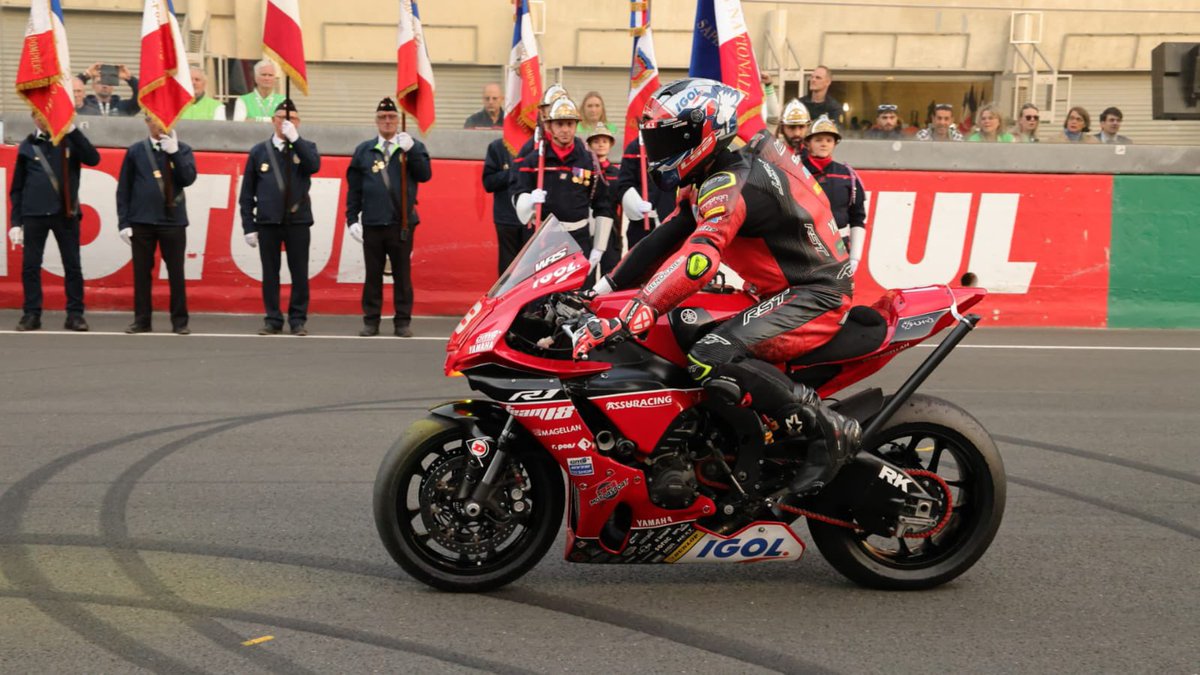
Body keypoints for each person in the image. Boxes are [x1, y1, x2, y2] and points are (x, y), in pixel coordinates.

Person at [584, 79, 862, 497]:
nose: (659, 151)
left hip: (816, 295)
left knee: (710, 352)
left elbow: (698, 260)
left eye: (671, 138)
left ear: (704, 133)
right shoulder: (711, 173)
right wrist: (600, 291)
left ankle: (826, 430)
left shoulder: (730, 182)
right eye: (657, 140)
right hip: (776, 291)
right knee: (682, 325)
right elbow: (667, 237)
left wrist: (637, 310)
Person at [345, 97, 432, 337]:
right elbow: (354, 188)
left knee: (402, 275)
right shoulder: (364, 150)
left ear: (398, 120)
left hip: (401, 223)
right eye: (383, 118)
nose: (387, 121)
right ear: (376, 121)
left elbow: (425, 175)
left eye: (392, 117)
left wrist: (412, 150)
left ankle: (402, 321)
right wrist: (351, 218)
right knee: (372, 276)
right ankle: (371, 321)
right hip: (372, 223)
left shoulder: (411, 147)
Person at [8, 115, 101, 332]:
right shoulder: (27, 146)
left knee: (72, 266)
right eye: (38, 115)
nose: (43, 119)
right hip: (34, 214)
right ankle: (32, 314)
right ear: (32, 116)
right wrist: (16, 222)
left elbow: (93, 158)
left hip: (65, 214)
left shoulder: (69, 140)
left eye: (46, 114)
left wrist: (73, 131)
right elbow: (18, 188)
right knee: (30, 266)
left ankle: (75, 315)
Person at [240, 99, 321, 336]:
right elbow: (247, 193)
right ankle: (273, 319)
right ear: (273, 120)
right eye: (281, 118)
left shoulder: (306, 147)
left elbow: (313, 165)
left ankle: (297, 320)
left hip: (298, 221)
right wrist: (248, 225)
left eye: (292, 118)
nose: (285, 122)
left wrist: (295, 139)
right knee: (270, 272)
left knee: (299, 272)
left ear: (298, 122)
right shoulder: (259, 152)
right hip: (268, 222)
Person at [510, 97, 614, 274]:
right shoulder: (533, 161)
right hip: (544, 240)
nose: (565, 129)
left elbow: (603, 205)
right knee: (541, 298)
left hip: (578, 240)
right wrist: (528, 200)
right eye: (559, 124)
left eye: (570, 124)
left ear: (576, 126)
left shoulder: (589, 160)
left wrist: (599, 247)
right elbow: (516, 194)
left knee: (575, 297)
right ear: (550, 127)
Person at [116, 116, 197, 335]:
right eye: (154, 120)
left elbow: (188, 178)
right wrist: (124, 222)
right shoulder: (136, 151)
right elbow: (124, 188)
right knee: (141, 274)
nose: (160, 125)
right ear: (146, 122)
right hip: (142, 221)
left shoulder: (183, 149)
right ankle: (142, 320)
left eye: (164, 120)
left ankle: (180, 321)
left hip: (173, 221)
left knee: (176, 273)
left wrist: (174, 153)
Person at [803, 116, 866, 277]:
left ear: (834, 144)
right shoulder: (795, 171)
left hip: (840, 247)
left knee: (837, 297)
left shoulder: (847, 175)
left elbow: (857, 217)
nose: (824, 143)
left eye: (829, 140)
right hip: (803, 247)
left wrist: (855, 257)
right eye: (818, 139)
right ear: (808, 143)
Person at [615, 134, 675, 252]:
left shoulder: (674, 144)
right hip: (641, 225)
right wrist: (635, 203)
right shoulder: (635, 147)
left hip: (670, 225)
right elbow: (623, 184)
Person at [482, 137, 526, 274]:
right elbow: (488, 183)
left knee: (531, 267)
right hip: (507, 219)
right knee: (508, 269)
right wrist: (513, 172)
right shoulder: (497, 147)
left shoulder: (539, 146)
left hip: (533, 218)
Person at [585, 124, 622, 275]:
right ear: (590, 145)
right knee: (587, 274)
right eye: (596, 141)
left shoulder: (618, 173)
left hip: (612, 228)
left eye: (604, 141)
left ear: (611, 144)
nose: (600, 144)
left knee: (611, 272)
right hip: (589, 227)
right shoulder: (586, 169)